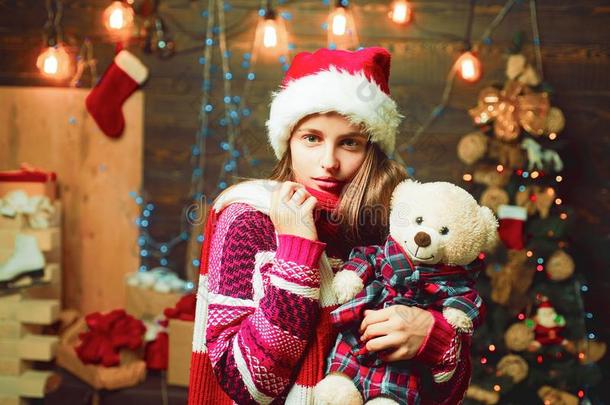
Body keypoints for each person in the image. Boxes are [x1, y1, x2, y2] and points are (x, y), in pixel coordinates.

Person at [188, 47, 477, 405]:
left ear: (371, 150)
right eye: (312, 138)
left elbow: (449, 392)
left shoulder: (399, 229)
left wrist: (434, 340)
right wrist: (297, 251)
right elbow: (249, 385)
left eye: (349, 143)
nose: (329, 163)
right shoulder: (248, 219)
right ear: (288, 142)